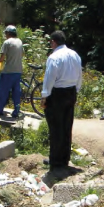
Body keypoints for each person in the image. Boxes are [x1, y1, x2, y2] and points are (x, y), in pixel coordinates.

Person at [41, 31, 82, 175]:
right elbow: (79, 75)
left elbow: (49, 78)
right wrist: (76, 90)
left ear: (53, 42)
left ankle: (56, 162)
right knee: (66, 126)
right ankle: (64, 159)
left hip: (57, 94)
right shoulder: (74, 55)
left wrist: (45, 96)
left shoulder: (54, 57)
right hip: (71, 92)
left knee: (55, 127)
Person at [0, 25, 23, 118]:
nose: (5, 35)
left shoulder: (7, 42)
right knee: (16, 91)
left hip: (8, 71)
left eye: (6, 33)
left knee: (3, 91)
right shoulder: (20, 41)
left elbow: (2, 58)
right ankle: (16, 111)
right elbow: (22, 54)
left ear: (8, 33)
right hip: (18, 70)